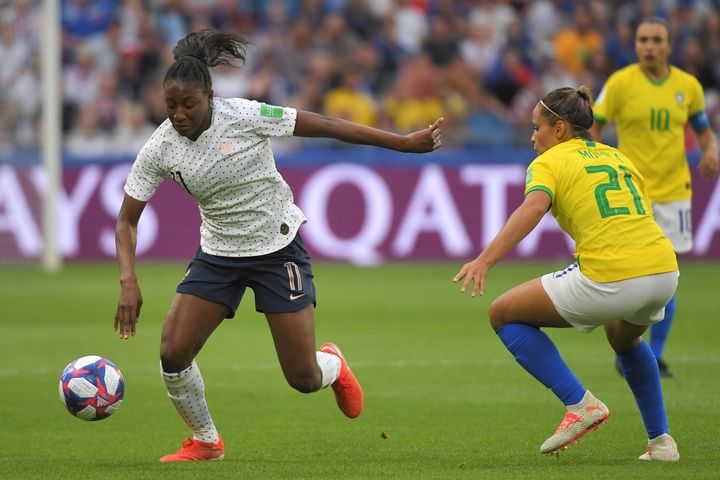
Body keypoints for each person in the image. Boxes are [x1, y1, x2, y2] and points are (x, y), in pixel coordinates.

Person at [114, 29, 444, 463]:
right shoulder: (160, 147)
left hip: (277, 249)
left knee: (303, 378)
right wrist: (128, 281)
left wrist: (401, 143)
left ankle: (333, 364)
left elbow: (324, 125)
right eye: (171, 105)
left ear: (210, 96)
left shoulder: (246, 115)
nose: (178, 114)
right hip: (218, 255)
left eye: (188, 104)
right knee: (172, 354)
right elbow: (126, 220)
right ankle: (206, 441)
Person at [454, 86, 680, 461]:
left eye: (537, 127)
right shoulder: (617, 156)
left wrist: (485, 260)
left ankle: (580, 404)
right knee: (623, 339)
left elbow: (532, 209)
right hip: (663, 272)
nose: (532, 137)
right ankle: (661, 443)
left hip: (612, 276)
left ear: (559, 129)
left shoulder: (549, 161)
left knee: (503, 313)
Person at [591, 16, 720, 378]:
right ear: (635, 45)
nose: (649, 46)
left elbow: (703, 131)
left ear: (668, 45)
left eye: (656, 40)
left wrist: (711, 150)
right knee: (628, 273)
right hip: (631, 194)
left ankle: (655, 355)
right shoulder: (619, 83)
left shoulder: (688, 86)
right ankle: (627, 347)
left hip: (674, 193)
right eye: (643, 39)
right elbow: (595, 128)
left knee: (668, 276)